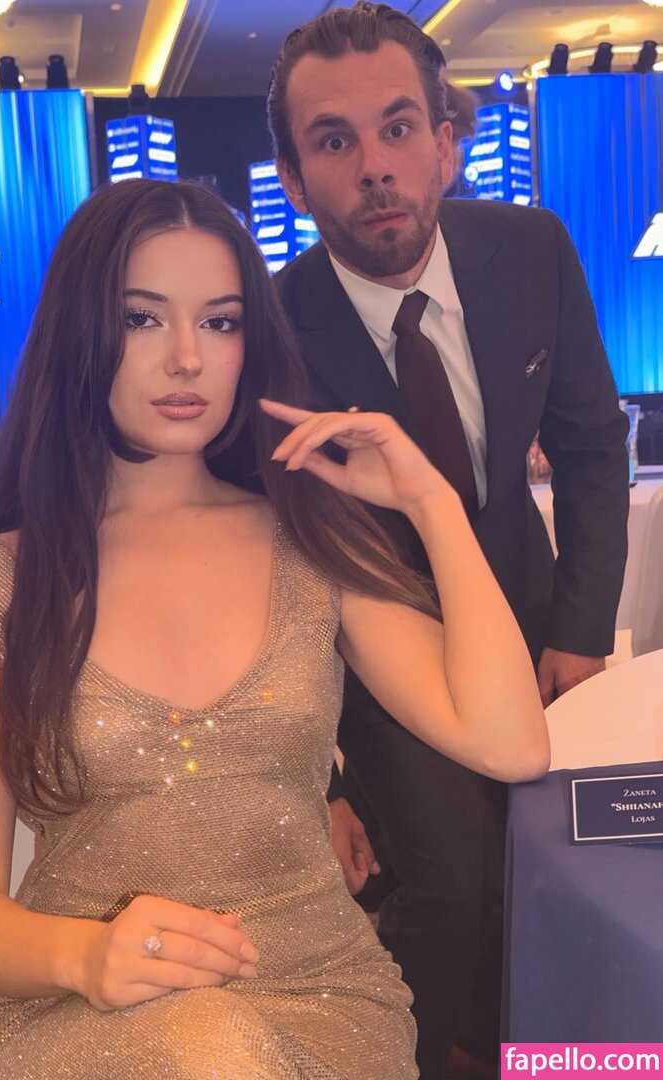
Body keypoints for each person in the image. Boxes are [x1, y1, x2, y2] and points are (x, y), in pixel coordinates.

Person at [0, 178, 549, 1079]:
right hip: (80, 1008)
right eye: (142, 319)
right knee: (211, 1048)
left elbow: (511, 744)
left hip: (316, 997)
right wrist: (86, 956)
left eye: (220, 322)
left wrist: (431, 503)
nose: (187, 359)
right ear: (81, 332)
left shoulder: (308, 541)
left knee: (222, 1050)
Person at [267, 4, 629, 1076]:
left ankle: (545, 1049)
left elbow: (592, 450)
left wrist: (581, 631)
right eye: (335, 141)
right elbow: (275, 569)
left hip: (532, 623)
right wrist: (320, 779)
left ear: (445, 142)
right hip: (378, 660)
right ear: (294, 180)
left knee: (568, 863)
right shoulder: (273, 331)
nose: (375, 166)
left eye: (397, 128)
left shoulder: (532, 249)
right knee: (452, 883)